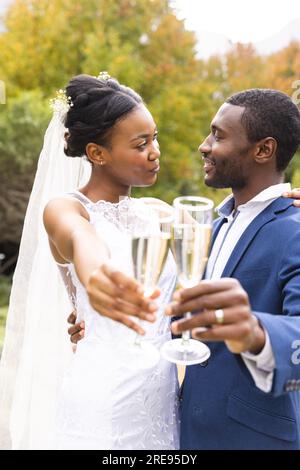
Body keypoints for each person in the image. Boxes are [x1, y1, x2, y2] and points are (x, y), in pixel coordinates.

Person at [0, 74, 179, 450]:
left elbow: (228, 240)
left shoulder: (160, 214)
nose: (155, 151)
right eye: (140, 143)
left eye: (155, 137)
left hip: (163, 400)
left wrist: (282, 202)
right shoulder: (65, 210)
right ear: (97, 153)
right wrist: (98, 275)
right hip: (103, 402)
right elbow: (81, 240)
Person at [166, 88, 300, 449]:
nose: (204, 146)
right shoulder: (212, 226)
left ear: (263, 150)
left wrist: (257, 332)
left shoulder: (296, 230)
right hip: (189, 434)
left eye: (218, 135)